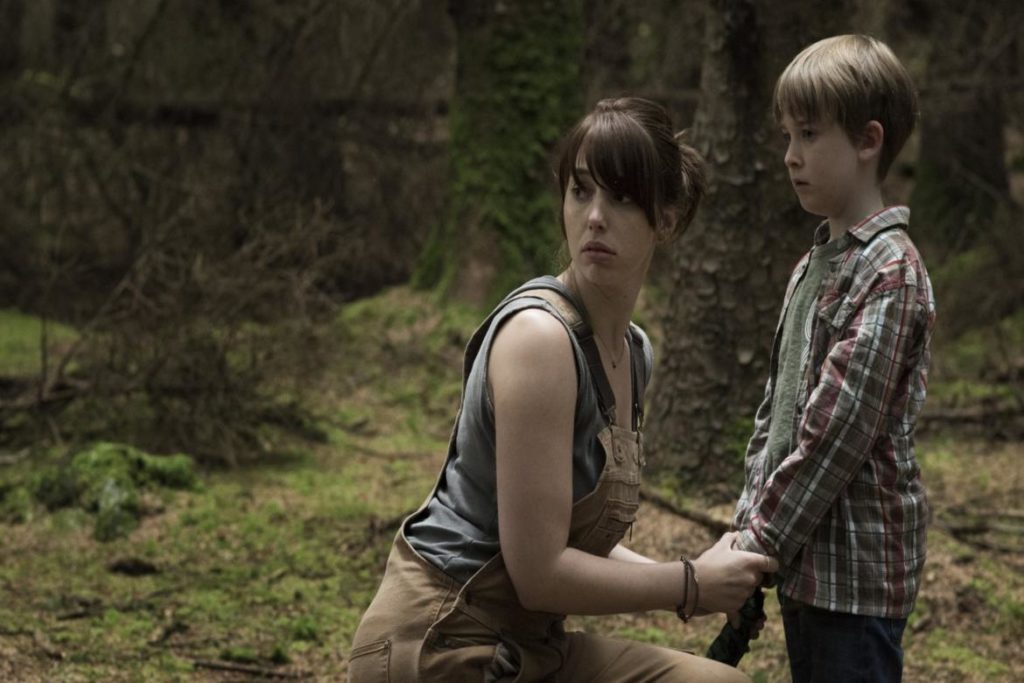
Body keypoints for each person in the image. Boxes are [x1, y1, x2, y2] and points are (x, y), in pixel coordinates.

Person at [349, 97, 777, 682]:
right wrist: (689, 585)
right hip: (443, 640)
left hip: (528, 645)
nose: (595, 216)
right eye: (580, 191)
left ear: (667, 219)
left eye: (622, 197)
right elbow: (540, 573)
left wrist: (700, 577)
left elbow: (569, 539)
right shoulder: (540, 340)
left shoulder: (633, 353)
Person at [730, 35, 936, 683]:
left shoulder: (891, 271)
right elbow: (778, 411)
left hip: (856, 575)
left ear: (868, 140)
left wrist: (757, 540)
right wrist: (747, 523)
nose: (790, 155)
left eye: (810, 134)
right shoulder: (813, 266)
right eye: (787, 135)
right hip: (805, 562)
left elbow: (836, 433)